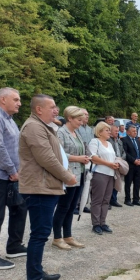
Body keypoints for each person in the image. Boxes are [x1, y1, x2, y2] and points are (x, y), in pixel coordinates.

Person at [19, 94, 77, 280]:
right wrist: (67, 176)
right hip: (39, 188)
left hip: (45, 186)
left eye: (56, 106)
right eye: (51, 107)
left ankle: (38, 271)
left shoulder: (43, 126)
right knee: (39, 234)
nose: (56, 110)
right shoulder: (34, 127)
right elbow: (47, 159)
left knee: (41, 233)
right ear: (38, 109)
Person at [0, 88, 28, 270]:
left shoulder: (10, 119)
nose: (19, 103)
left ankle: (14, 245)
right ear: (3, 99)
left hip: (13, 175)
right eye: (16, 99)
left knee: (20, 208)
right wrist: (12, 170)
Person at [52, 106, 90, 249]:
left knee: (71, 207)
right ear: (70, 118)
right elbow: (58, 154)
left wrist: (85, 158)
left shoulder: (77, 133)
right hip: (68, 175)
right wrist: (78, 158)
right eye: (79, 119)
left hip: (79, 174)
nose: (81, 122)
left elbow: (82, 150)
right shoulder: (61, 133)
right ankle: (57, 237)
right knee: (63, 207)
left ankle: (68, 235)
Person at [88, 122, 119, 235]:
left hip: (111, 174)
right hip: (100, 173)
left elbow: (114, 157)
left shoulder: (109, 144)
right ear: (100, 132)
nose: (109, 132)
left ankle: (103, 222)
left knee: (106, 200)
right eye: (107, 130)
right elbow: (94, 158)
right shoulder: (95, 142)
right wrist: (109, 164)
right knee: (97, 199)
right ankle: (96, 224)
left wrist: (116, 164)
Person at [121, 125, 140, 206]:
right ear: (128, 132)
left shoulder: (137, 140)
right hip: (130, 164)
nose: (135, 133)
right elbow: (125, 153)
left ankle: (136, 199)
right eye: (133, 131)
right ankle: (127, 199)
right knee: (128, 182)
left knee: (137, 183)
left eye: (136, 131)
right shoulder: (124, 140)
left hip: (138, 164)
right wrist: (134, 160)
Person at [109, 125, 126, 207]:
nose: (117, 132)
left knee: (117, 182)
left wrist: (120, 160)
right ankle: (109, 200)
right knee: (111, 183)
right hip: (112, 164)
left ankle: (114, 199)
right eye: (115, 131)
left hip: (119, 164)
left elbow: (124, 152)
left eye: (118, 131)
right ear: (110, 131)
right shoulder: (108, 141)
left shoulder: (119, 141)